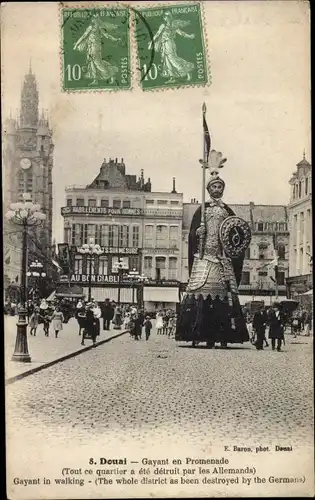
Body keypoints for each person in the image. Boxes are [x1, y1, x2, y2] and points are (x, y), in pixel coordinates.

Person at [176, 150, 250, 348]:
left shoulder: (227, 211)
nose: (217, 188)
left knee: (224, 300)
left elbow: (236, 234)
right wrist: (198, 233)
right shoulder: (202, 210)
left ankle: (224, 337)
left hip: (221, 258)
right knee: (201, 296)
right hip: (205, 257)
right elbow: (192, 235)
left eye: (220, 186)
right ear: (208, 189)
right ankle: (199, 334)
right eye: (214, 186)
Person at [148, 11, 195, 84]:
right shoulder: (164, 26)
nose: (166, 18)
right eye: (165, 17)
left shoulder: (173, 25)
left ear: (170, 17)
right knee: (166, 60)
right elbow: (157, 34)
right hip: (164, 44)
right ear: (164, 18)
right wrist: (152, 41)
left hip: (169, 43)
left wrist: (189, 36)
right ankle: (172, 77)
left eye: (167, 16)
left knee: (172, 58)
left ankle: (186, 71)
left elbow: (181, 33)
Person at [73, 14, 121, 86]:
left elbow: (106, 35)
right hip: (91, 47)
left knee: (97, 62)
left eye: (96, 19)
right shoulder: (91, 28)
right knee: (92, 62)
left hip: (95, 47)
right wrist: (77, 44)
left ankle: (110, 75)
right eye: (95, 19)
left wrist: (115, 39)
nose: (95, 20)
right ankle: (95, 80)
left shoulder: (98, 28)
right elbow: (83, 37)